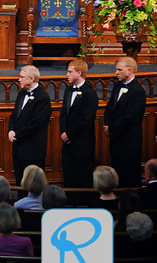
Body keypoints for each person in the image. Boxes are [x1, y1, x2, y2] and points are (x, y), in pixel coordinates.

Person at [103, 57, 146, 187]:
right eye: (116, 69)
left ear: (130, 70)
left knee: (129, 178)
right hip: (116, 140)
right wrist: (106, 124)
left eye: (119, 70)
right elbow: (110, 107)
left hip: (129, 142)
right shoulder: (117, 85)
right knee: (117, 177)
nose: (116, 72)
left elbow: (129, 117)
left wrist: (111, 129)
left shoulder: (138, 91)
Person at [8, 65, 51, 185]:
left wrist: (18, 134)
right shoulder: (22, 93)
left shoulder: (42, 97)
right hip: (19, 149)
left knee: (33, 185)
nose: (19, 80)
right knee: (20, 183)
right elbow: (14, 115)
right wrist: (11, 130)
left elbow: (36, 123)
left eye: (22, 77)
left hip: (33, 150)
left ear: (32, 79)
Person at [59, 58, 99, 187]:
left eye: (70, 72)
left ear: (79, 73)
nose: (67, 75)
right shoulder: (68, 91)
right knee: (69, 179)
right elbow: (63, 115)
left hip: (82, 145)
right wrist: (64, 133)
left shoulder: (90, 94)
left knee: (83, 180)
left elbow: (85, 119)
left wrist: (69, 134)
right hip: (68, 145)